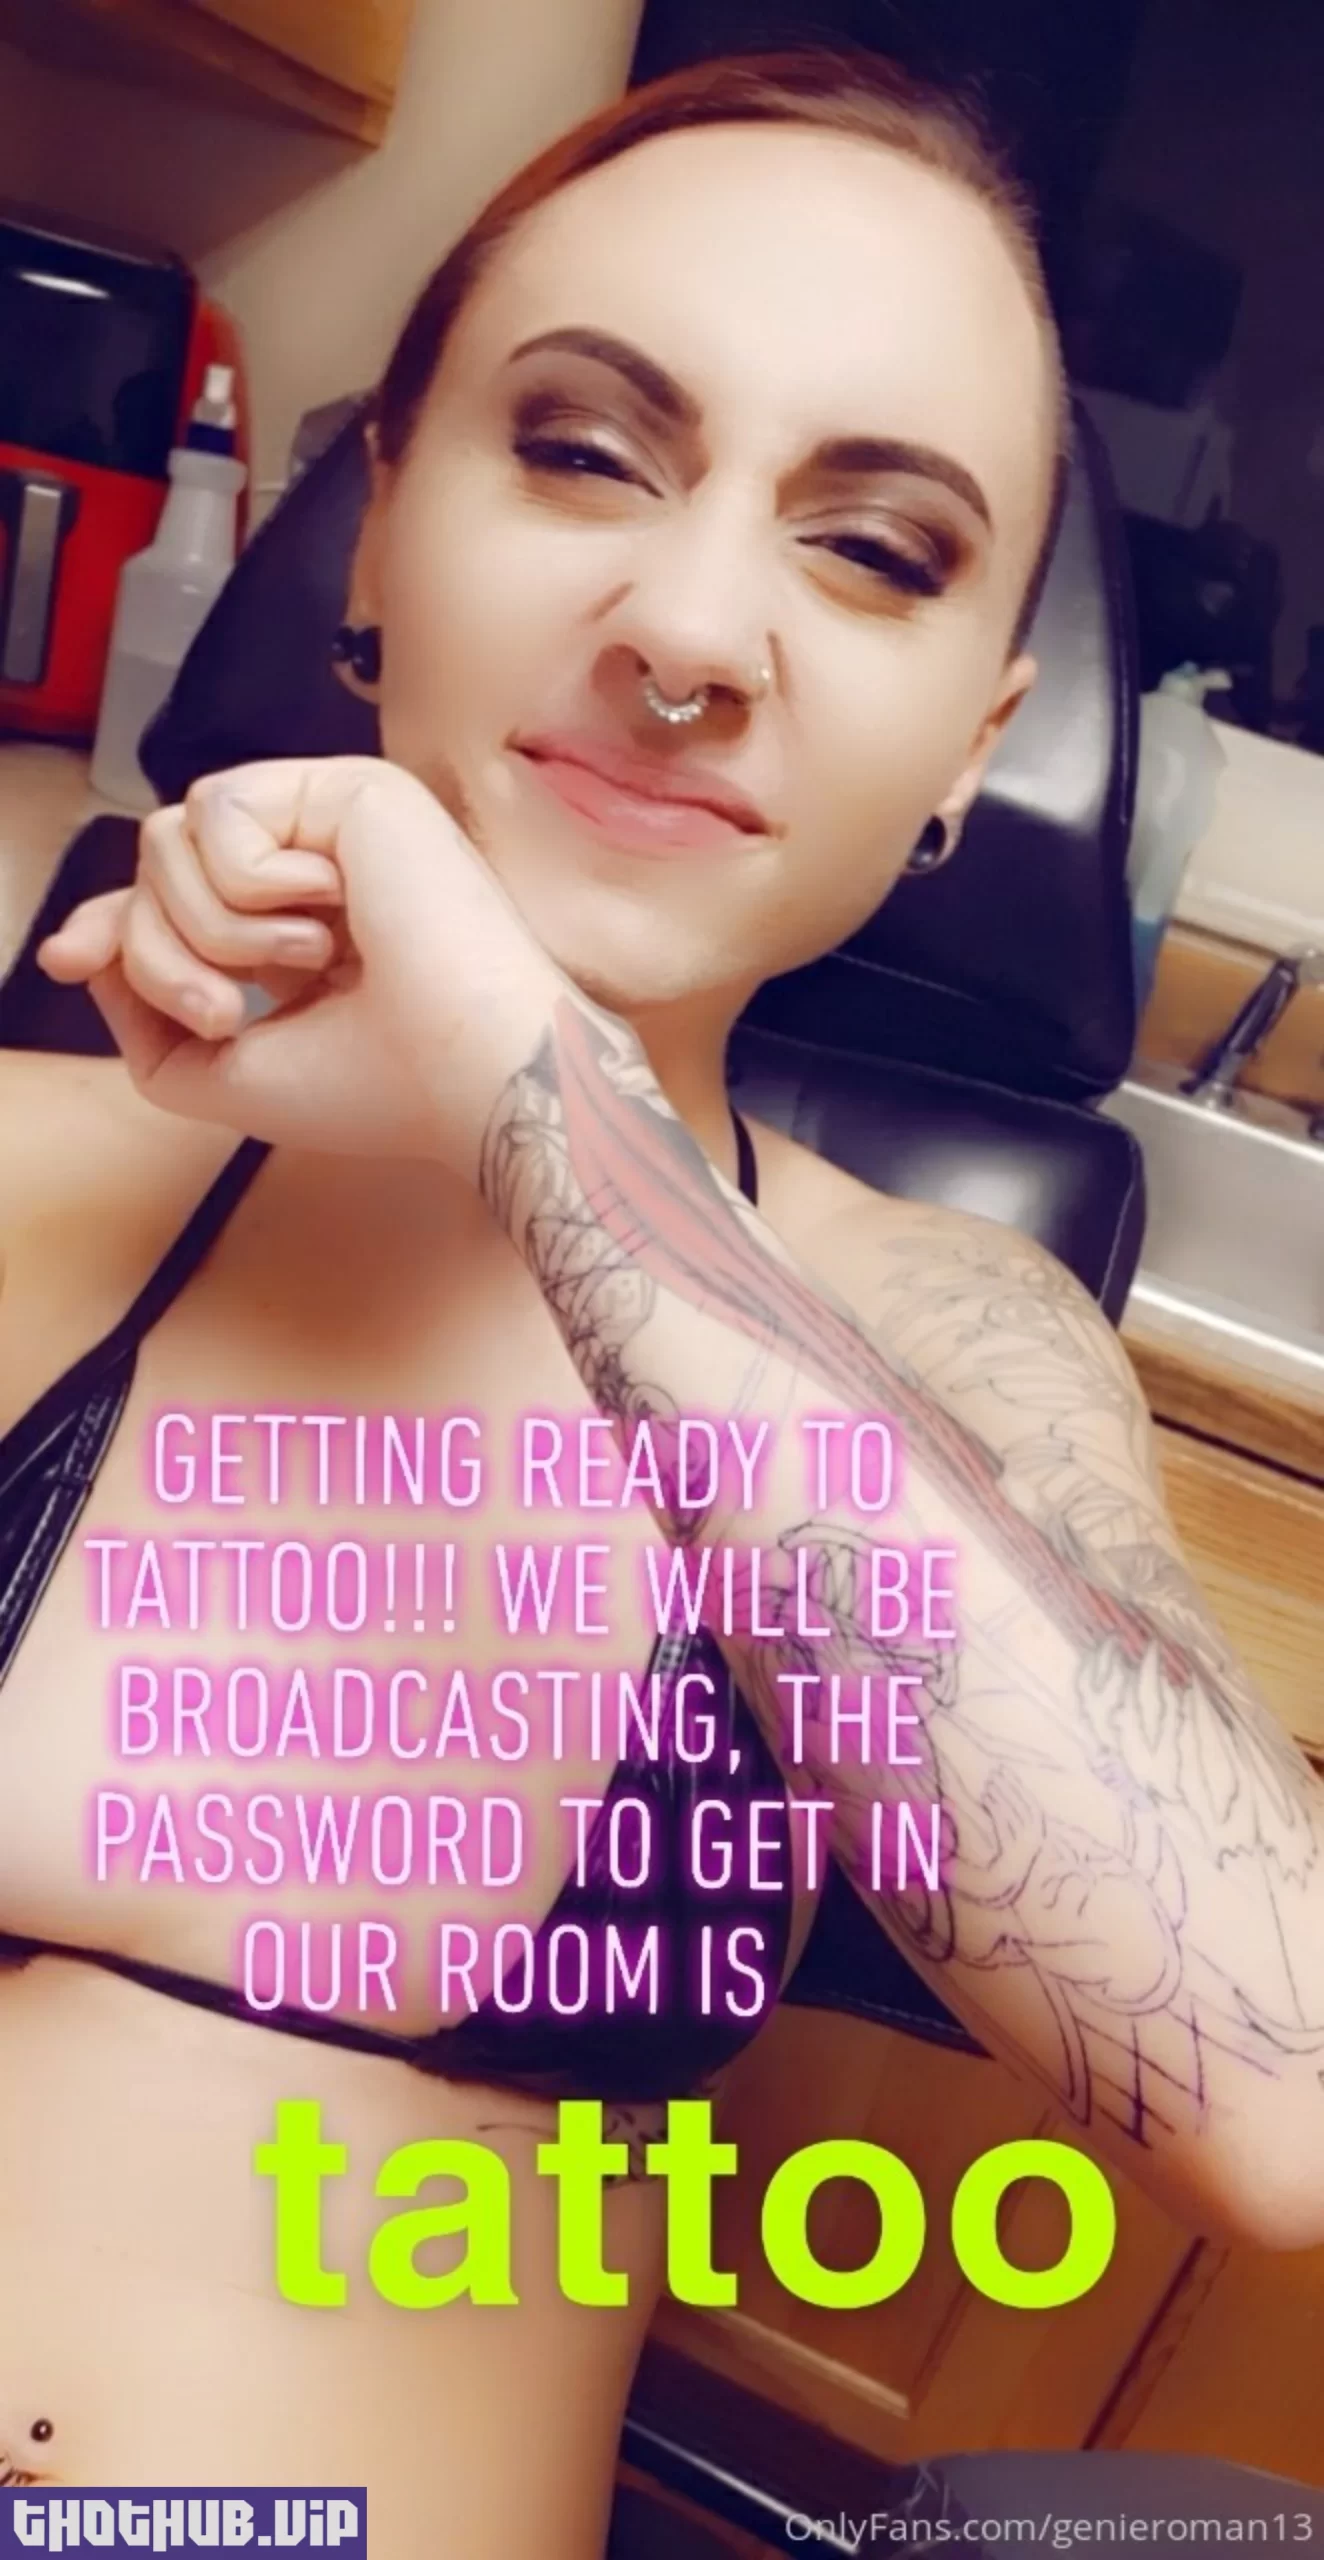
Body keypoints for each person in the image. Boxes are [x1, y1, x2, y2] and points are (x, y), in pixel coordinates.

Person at [2, 43, 1321, 2555]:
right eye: (585, 451)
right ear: (379, 531)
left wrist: (523, 1074)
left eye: (876, 551)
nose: (694, 628)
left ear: (973, 744)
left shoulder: (938, 1329)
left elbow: (1273, 2079)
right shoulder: (28, 1156)